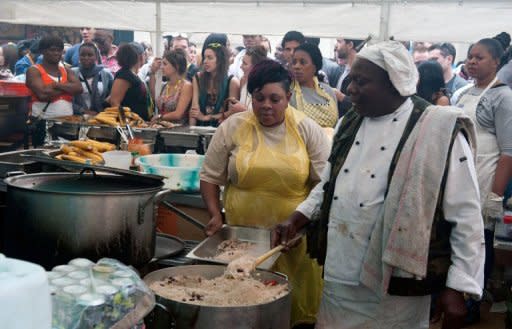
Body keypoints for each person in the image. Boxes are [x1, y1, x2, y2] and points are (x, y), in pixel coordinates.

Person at [273, 41, 485, 329]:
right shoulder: (350, 121)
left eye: (361, 82)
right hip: (340, 272)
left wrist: (458, 285)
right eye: (350, 80)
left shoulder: (437, 130)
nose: (350, 90)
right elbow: (329, 183)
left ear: (395, 84)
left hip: (398, 284)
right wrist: (298, 216)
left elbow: (466, 215)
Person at [200, 60, 329, 327]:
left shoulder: (307, 129)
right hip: (243, 238)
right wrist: (215, 214)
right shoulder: (233, 127)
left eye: (275, 99)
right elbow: (210, 176)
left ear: (288, 98)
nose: (266, 105)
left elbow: (325, 184)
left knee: (289, 311)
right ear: (251, 97)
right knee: (242, 306)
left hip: (292, 238)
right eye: (259, 98)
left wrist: (301, 222)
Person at [455, 38, 512, 324]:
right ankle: (454, 296)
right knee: (457, 240)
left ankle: (473, 301)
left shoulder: (503, 97)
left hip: (484, 180)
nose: (472, 61)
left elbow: (508, 151)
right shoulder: (463, 93)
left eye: (480, 57)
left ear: (497, 63)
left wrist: (495, 196)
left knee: (479, 245)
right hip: (458, 179)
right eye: (470, 56)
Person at [26, 36, 83, 146]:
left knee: (65, 156)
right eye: (52, 50)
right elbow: (43, 95)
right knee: (43, 158)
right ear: (42, 51)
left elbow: (79, 89)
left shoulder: (67, 70)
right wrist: (68, 88)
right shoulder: (33, 70)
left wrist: (56, 85)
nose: (56, 53)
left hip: (67, 124)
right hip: (43, 123)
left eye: (59, 50)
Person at [189, 43, 240, 127]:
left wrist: (207, 117)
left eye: (210, 58)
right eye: (204, 57)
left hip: (222, 128)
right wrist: (192, 132)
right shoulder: (198, 77)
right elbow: (194, 109)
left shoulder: (232, 81)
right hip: (200, 127)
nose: (205, 61)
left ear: (220, 60)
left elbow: (232, 112)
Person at [290, 43, 338, 128]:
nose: (297, 66)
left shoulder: (328, 91)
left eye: (302, 62)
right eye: (294, 62)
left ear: (315, 67)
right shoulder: (289, 93)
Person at [109, 43, 152, 121]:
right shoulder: (124, 75)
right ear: (140, 57)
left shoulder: (132, 74)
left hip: (139, 122)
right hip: (130, 124)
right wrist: (125, 122)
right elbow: (114, 102)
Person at [149, 49, 192, 124]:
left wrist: (159, 117)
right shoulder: (165, 85)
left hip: (179, 131)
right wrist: (152, 73)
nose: (161, 67)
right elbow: (153, 97)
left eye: (165, 64)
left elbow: (178, 114)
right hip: (162, 128)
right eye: (161, 64)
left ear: (176, 66)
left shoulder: (186, 86)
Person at [71, 42, 114, 115]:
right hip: (77, 118)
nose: (86, 58)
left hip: (101, 118)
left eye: (90, 55)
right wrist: (83, 111)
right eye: (83, 55)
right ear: (79, 56)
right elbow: (68, 99)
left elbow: (112, 96)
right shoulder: (72, 73)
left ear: (96, 56)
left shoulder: (105, 74)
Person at [226, 45, 267, 113]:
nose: (241, 66)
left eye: (244, 64)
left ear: (256, 67)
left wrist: (243, 110)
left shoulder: (266, 87)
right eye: (242, 62)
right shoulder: (243, 80)